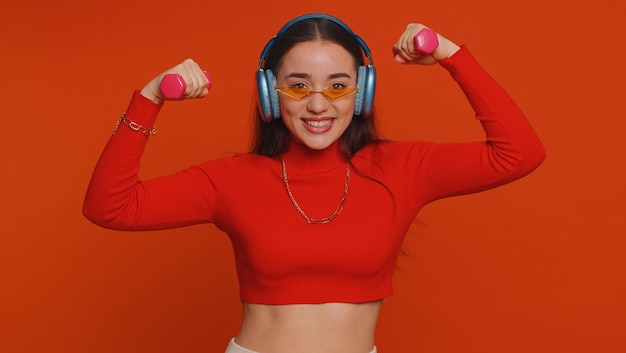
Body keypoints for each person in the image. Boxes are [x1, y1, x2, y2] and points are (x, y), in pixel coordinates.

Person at [83, 13, 545, 353]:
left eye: (339, 86)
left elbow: (520, 153)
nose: (319, 105)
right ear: (270, 92)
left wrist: (451, 55)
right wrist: (148, 100)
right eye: (299, 86)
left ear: (362, 92)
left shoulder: (402, 168)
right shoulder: (232, 180)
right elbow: (110, 207)